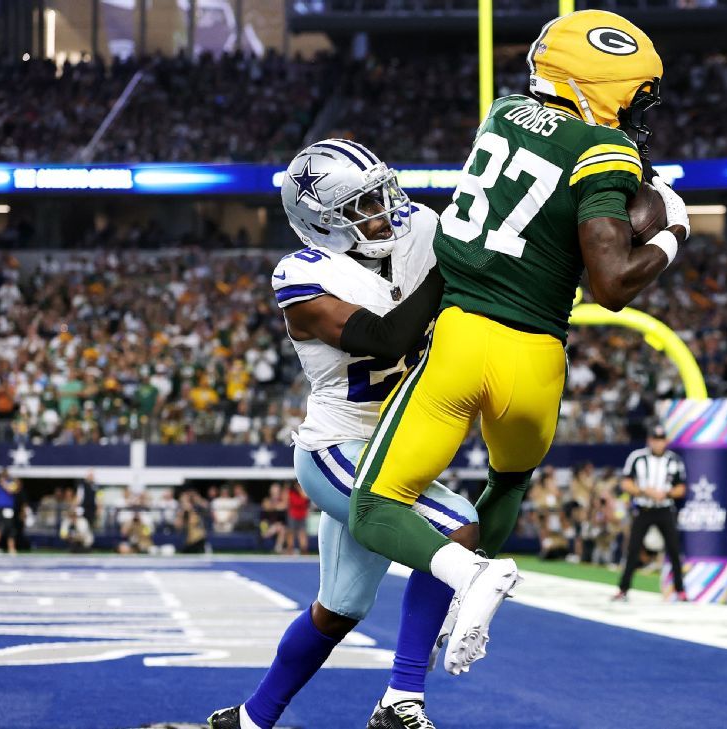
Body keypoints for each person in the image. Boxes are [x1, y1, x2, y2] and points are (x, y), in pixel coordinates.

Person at [346, 8, 689, 676]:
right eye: (632, 98)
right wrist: (672, 229)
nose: (636, 114)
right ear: (600, 88)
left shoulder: (501, 113)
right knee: (506, 483)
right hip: (538, 362)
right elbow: (612, 285)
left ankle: (471, 575)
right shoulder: (605, 150)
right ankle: (469, 588)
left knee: (374, 507)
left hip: (463, 337)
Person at [209, 139, 481, 729]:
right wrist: (450, 270)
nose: (383, 212)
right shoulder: (303, 275)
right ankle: (401, 700)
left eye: (381, 195)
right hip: (339, 448)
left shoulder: (417, 228)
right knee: (457, 527)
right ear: (321, 221)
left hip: (396, 445)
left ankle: (250, 719)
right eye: (362, 206)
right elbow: (385, 340)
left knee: (338, 610)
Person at [614, 426, 688, 600]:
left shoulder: (674, 460)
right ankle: (623, 589)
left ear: (666, 441)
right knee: (633, 549)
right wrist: (644, 491)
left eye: (661, 440)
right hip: (644, 509)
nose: (658, 443)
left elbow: (681, 488)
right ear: (649, 441)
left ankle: (680, 590)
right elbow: (626, 483)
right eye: (655, 440)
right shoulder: (637, 457)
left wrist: (666, 493)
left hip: (664, 508)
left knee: (674, 549)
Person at [284, 482, 310, 556]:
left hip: (302, 515)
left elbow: (306, 498)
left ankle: (304, 550)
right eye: (297, 485)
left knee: (302, 533)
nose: (298, 486)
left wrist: (300, 490)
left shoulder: (304, 491)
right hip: (293, 515)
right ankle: (290, 549)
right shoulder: (290, 492)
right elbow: (288, 502)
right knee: (291, 533)